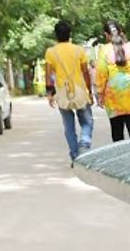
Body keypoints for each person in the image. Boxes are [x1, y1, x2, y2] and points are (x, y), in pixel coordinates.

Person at [43, 20, 94, 167]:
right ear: (70, 34)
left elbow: (48, 75)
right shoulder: (79, 50)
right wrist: (89, 91)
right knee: (87, 122)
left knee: (68, 127)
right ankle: (84, 143)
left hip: (62, 92)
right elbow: (85, 72)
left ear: (56, 35)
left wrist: (50, 93)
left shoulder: (51, 52)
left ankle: (75, 157)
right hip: (79, 91)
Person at [95, 19, 130, 142]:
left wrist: (100, 94)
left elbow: (102, 74)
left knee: (117, 133)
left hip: (113, 95)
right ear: (121, 32)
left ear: (106, 35)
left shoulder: (104, 50)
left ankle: (120, 155)